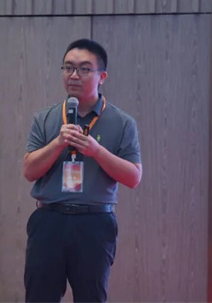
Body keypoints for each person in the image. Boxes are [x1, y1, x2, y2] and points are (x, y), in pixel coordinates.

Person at [23, 38, 142, 302]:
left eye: (84, 69)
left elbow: (134, 177)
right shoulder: (45, 118)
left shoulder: (122, 122)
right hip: (49, 220)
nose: (74, 75)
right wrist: (57, 143)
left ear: (102, 77)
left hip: (94, 224)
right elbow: (29, 171)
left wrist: (97, 151)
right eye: (68, 68)